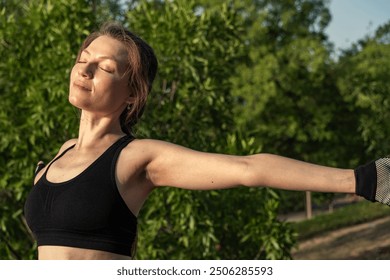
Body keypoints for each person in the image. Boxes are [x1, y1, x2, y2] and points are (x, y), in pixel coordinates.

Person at [24, 22, 390, 260]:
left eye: (104, 67)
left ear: (133, 93)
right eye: (83, 58)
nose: (84, 70)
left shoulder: (136, 157)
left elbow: (247, 169)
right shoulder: (60, 154)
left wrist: (362, 180)